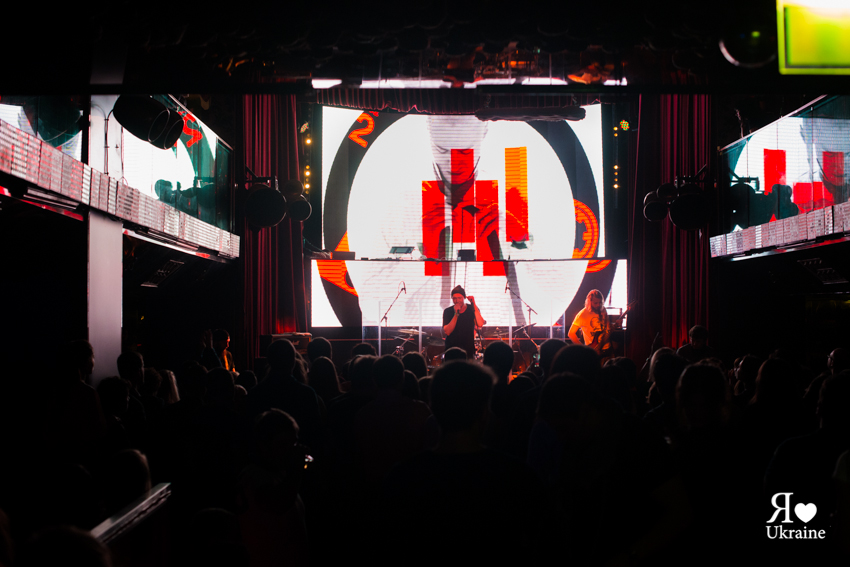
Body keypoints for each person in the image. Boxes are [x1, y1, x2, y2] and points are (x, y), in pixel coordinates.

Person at [442, 285, 485, 359]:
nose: (457, 301)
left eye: (459, 298)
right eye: (454, 298)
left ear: (464, 298)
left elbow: (480, 323)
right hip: (451, 350)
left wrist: (473, 303)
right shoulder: (448, 311)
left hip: (468, 350)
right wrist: (456, 314)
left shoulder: (471, 309)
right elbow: (447, 331)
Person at [568, 289, 609, 354]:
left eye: (600, 302)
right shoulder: (582, 314)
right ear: (589, 302)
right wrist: (583, 349)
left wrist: (616, 324)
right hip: (593, 350)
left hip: (607, 348)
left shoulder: (603, 309)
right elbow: (571, 334)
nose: (598, 305)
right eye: (595, 303)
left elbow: (608, 328)